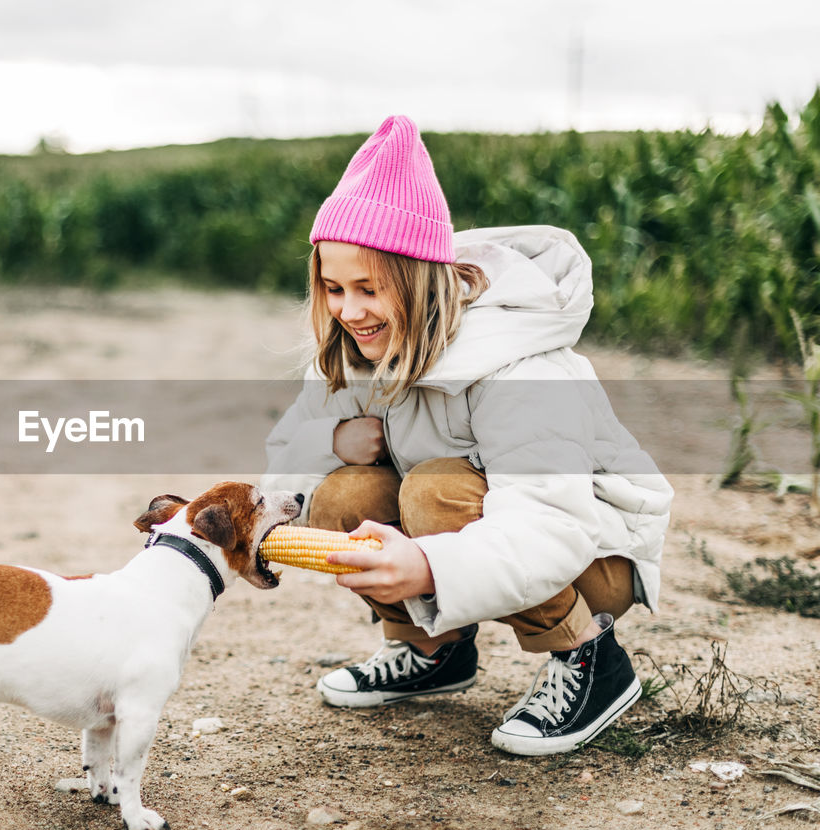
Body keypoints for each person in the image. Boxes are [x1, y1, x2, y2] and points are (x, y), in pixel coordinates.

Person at [261, 115, 673, 756]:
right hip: (505, 540)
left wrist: (425, 564)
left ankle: (591, 661)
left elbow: (551, 527)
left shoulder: (519, 364)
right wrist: (329, 444)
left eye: (369, 289)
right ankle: (433, 652)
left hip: (591, 552)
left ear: (420, 277)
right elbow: (285, 460)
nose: (348, 310)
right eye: (334, 288)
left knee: (433, 490)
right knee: (344, 494)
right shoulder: (357, 349)